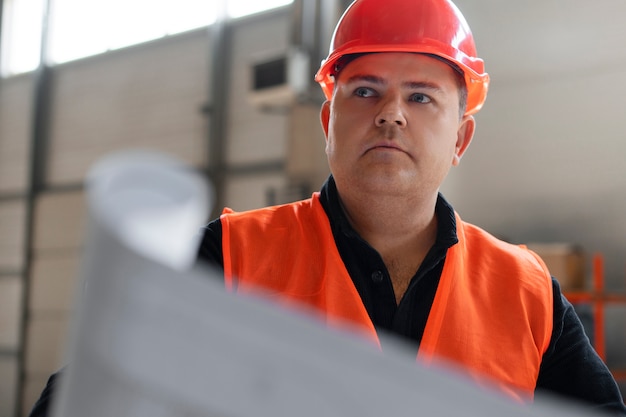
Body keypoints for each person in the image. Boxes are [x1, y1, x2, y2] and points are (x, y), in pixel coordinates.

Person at [29, 0, 626, 415]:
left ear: (461, 140)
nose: (391, 113)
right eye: (364, 91)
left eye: (421, 97)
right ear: (328, 121)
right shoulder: (230, 259)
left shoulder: (527, 294)